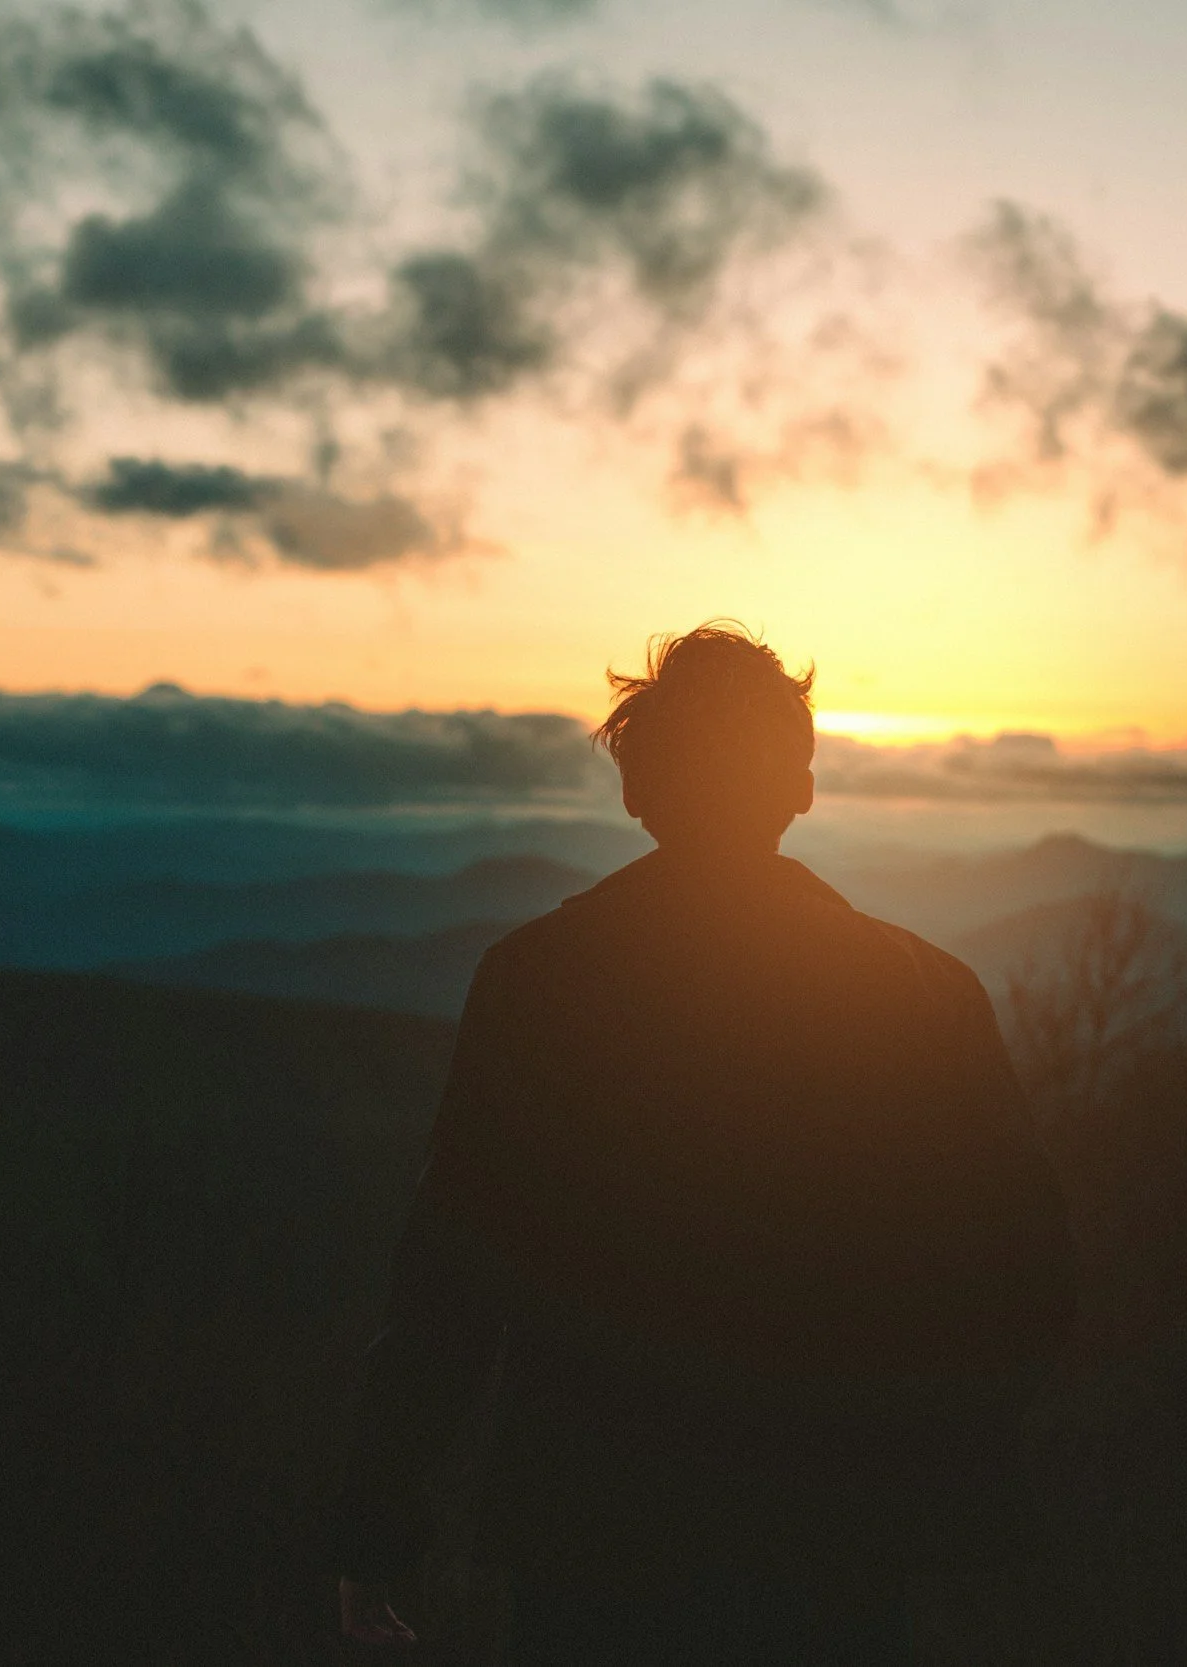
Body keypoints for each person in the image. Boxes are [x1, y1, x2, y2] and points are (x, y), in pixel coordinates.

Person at [331, 624, 1077, 1664]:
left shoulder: (538, 982)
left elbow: (452, 1271)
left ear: (638, 789)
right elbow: (1028, 1267)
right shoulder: (922, 992)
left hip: (592, 1535)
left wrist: (378, 1517)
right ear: (802, 786)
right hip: (837, 1539)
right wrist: (921, 1454)